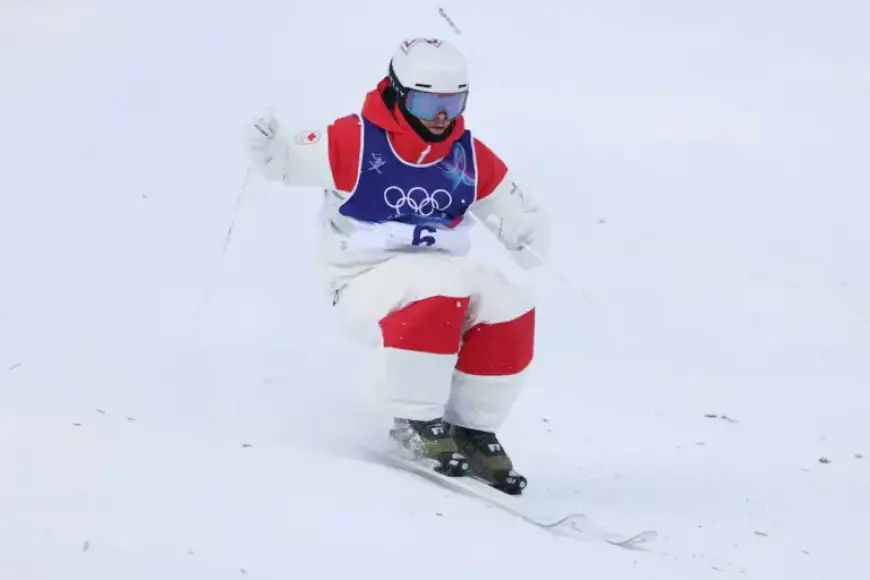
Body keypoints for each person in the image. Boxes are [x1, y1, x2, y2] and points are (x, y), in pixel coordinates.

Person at [245, 38, 551, 494]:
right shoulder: (357, 140)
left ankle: (473, 429)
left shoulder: (466, 156)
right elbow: (289, 162)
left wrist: (527, 233)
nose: (441, 116)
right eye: (428, 102)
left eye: (453, 102)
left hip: (434, 281)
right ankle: (415, 421)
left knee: (510, 300)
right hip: (362, 282)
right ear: (398, 93)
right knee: (443, 282)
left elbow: (522, 225)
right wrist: (269, 148)